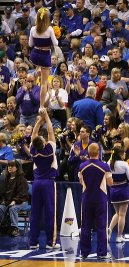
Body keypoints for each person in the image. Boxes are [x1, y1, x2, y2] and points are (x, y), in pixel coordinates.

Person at [29, 108, 60, 249]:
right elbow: (51, 131)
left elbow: (34, 134)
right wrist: (46, 117)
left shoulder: (33, 151)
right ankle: (50, 243)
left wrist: (39, 121)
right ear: (43, 142)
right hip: (48, 183)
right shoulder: (49, 150)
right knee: (50, 212)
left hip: (36, 183)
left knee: (35, 213)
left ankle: (33, 242)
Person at [79, 143, 113, 259]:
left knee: (85, 226)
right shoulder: (105, 166)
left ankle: (84, 252)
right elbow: (110, 183)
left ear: (88, 152)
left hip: (87, 198)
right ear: (99, 152)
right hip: (100, 199)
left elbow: (80, 182)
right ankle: (102, 253)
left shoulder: (82, 166)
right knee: (101, 226)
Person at [28, 7, 58, 108]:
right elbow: (56, 43)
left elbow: (30, 44)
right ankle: (41, 105)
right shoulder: (49, 29)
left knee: (40, 73)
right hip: (45, 56)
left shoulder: (32, 29)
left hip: (35, 55)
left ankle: (36, 73)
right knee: (44, 82)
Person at [108, 146, 129, 243]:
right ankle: (119, 236)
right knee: (122, 214)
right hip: (123, 190)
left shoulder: (109, 163)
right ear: (120, 154)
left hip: (113, 190)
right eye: (124, 152)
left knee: (117, 213)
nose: (125, 154)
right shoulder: (124, 164)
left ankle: (109, 229)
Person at [0, 160, 29, 237]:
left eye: (12, 166)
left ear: (17, 168)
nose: (10, 167)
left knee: (13, 208)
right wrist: (3, 201)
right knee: (1, 207)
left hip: (22, 201)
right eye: (9, 166)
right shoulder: (6, 178)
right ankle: (3, 226)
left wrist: (14, 201)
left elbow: (22, 194)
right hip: (8, 201)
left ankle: (15, 228)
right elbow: (3, 192)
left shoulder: (22, 179)